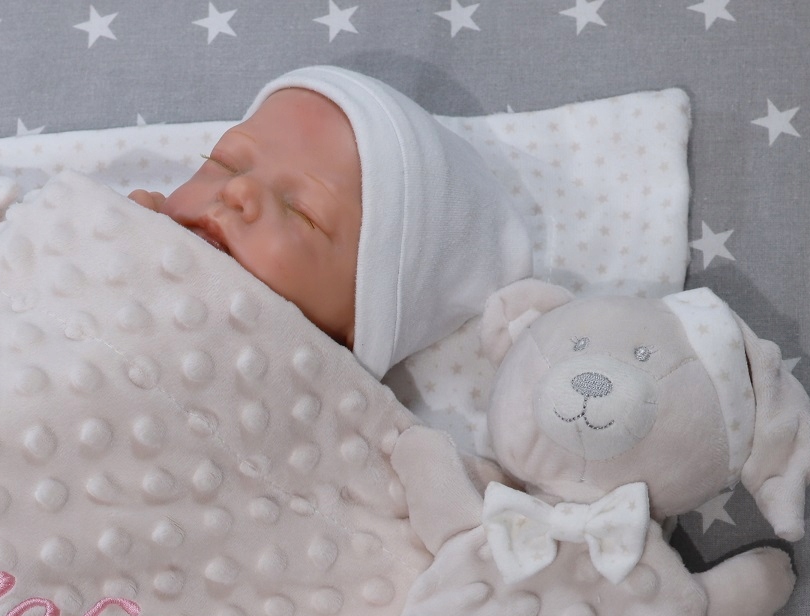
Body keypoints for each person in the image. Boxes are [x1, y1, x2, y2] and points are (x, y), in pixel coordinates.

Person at [131, 65, 534, 380]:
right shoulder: (122, 243)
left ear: (361, 326)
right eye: (225, 163)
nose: (238, 190)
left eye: (303, 213)